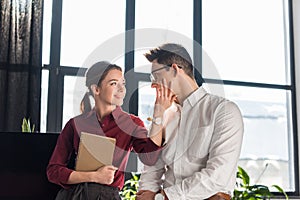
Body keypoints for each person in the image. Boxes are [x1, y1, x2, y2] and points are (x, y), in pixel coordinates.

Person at [47, 61, 175, 199]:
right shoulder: (75, 124)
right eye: (114, 83)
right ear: (96, 89)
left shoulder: (131, 123)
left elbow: (149, 158)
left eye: (123, 83)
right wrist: (94, 176)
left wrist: (158, 113)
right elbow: (53, 171)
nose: (121, 89)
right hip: (74, 195)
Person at [136, 43, 244, 200]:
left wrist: (164, 197)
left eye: (156, 77)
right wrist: (146, 192)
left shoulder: (223, 110)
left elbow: (218, 175)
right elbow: (153, 165)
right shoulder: (165, 115)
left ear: (174, 69)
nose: (153, 84)